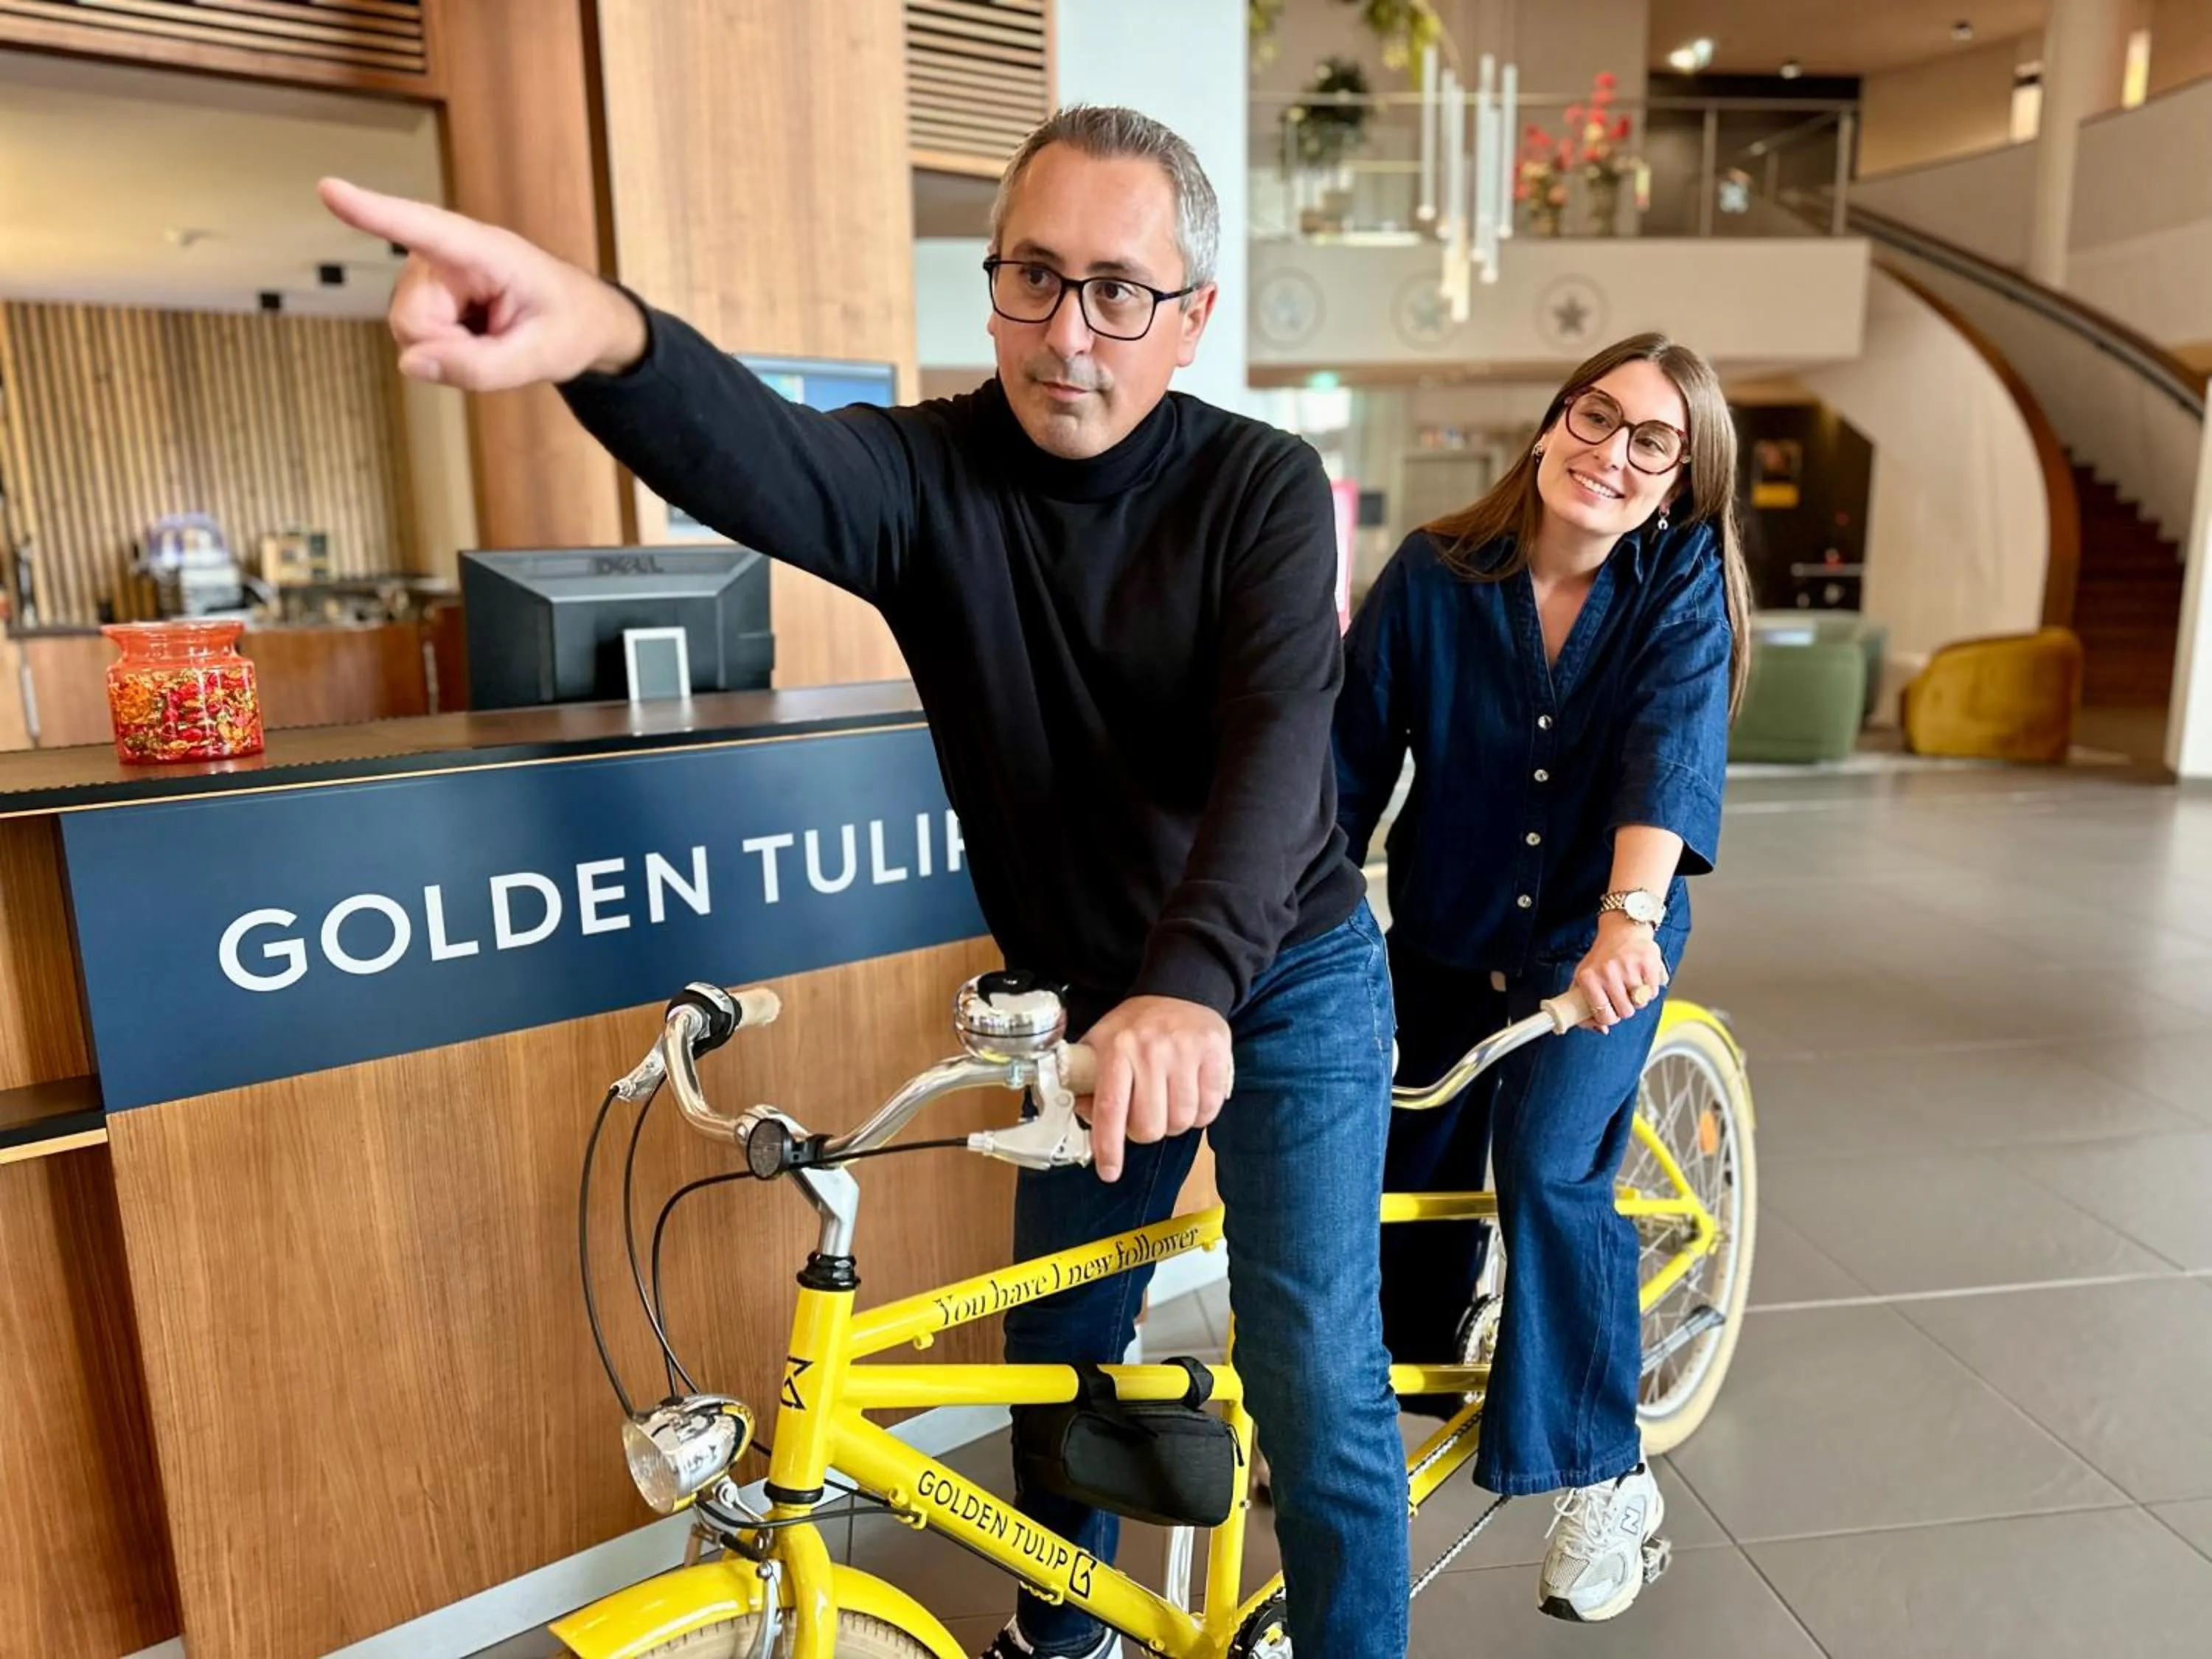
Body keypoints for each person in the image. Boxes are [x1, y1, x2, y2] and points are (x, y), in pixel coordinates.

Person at [320, 104, 1408, 1658]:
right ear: (994, 287)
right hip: (1085, 996)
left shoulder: (1263, 489)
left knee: (1311, 1361)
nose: (1070, 331)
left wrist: (1191, 986)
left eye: (1119, 290)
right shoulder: (930, 478)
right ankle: (1067, 1634)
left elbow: (1278, 750)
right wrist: (605, 335)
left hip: (1278, 971)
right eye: (1035, 277)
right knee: (1057, 1337)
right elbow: (765, 460)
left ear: (1191, 317)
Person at [1333, 334, 1744, 1625]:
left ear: (1679, 482)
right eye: (1596, 415)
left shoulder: (1677, 582)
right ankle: (1376, 1409)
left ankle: (1607, 1472)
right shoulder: (1435, 573)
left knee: (1550, 1162)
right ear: (1555, 420)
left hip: (1596, 939)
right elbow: (1346, 766)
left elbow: (1669, 753)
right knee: (1398, 1160)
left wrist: (1628, 921)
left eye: (1652, 442)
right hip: (1449, 927)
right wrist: (1295, 930)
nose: (1611, 454)